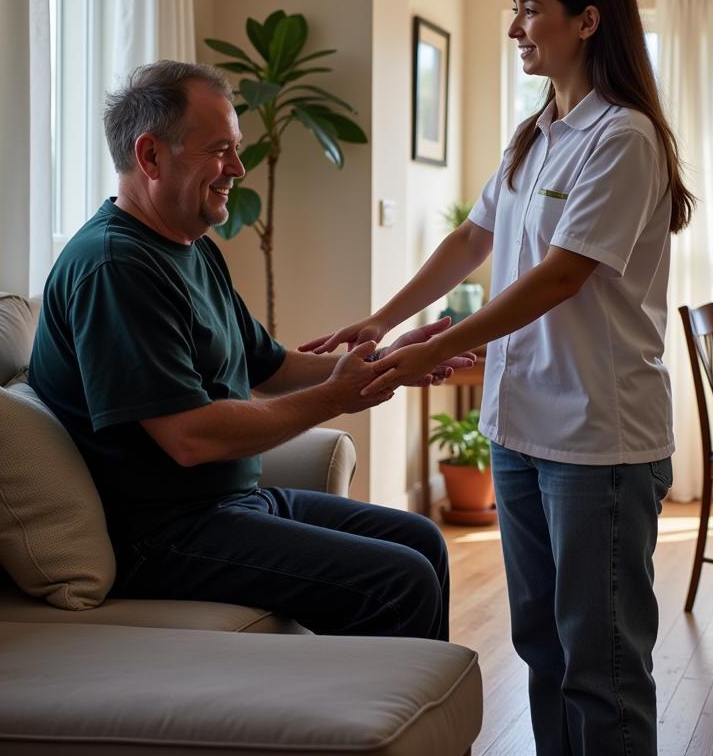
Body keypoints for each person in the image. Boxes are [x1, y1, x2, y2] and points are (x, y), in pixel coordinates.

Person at [303, 0, 694, 755]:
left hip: (597, 441)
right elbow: (472, 241)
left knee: (603, 664)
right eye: (514, 8)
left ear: (587, 21)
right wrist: (383, 320)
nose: (517, 26)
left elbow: (558, 279)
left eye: (530, 8)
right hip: (518, 432)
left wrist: (431, 348)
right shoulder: (535, 134)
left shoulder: (621, 139)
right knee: (543, 649)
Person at [28, 59, 473, 641]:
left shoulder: (189, 245)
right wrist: (334, 398)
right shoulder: (115, 266)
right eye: (220, 150)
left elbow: (273, 366)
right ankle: (358, 731)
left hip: (229, 507)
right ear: (150, 156)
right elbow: (190, 438)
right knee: (400, 579)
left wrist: (387, 362)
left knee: (420, 540)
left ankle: (420, 732)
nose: (238, 168)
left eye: (236, 148)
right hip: (156, 534)